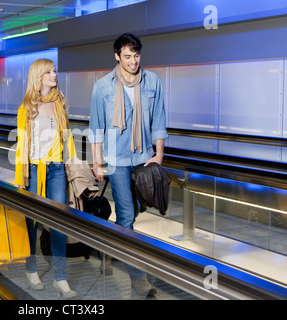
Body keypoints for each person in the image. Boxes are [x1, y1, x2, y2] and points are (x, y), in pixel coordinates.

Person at [89, 33, 168, 298]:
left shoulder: (152, 81)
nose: (133, 61)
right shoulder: (103, 86)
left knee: (133, 209)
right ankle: (138, 278)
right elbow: (96, 128)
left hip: (143, 157)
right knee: (125, 215)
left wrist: (159, 154)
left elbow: (159, 119)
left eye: (136, 56)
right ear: (116, 56)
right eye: (127, 56)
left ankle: (108, 247)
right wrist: (97, 162)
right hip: (116, 158)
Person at [14, 58, 77, 299]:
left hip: (56, 169)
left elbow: (67, 138)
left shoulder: (59, 104)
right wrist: (20, 176)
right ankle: (31, 269)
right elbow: (21, 145)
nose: (54, 75)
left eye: (55, 71)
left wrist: (71, 163)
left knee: (59, 221)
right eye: (49, 72)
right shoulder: (26, 108)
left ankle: (61, 278)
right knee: (32, 222)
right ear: (38, 76)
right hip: (33, 169)